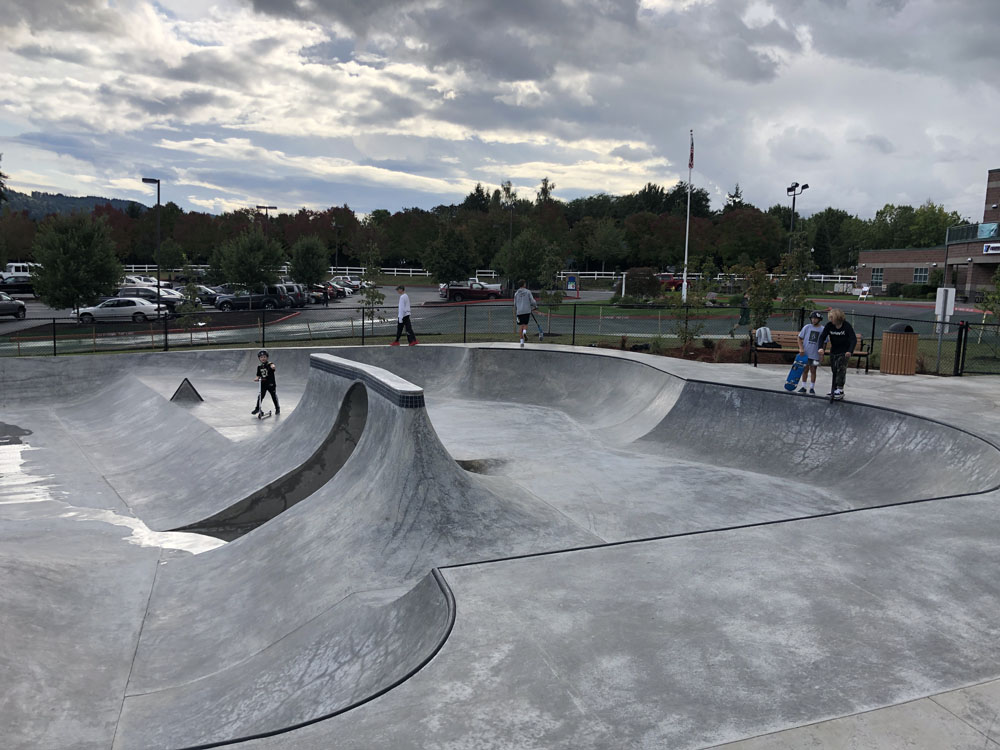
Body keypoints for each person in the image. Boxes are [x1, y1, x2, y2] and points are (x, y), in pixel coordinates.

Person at [817, 308, 857, 400]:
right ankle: (834, 389)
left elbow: (853, 339)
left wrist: (850, 351)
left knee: (841, 369)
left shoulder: (846, 326)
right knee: (834, 370)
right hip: (834, 351)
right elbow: (822, 337)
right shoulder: (829, 326)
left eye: (832, 318)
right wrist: (820, 348)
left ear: (837, 318)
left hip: (844, 352)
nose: (830, 320)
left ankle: (840, 390)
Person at [796, 311, 824, 395]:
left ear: (819, 319)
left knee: (813, 370)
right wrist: (801, 348)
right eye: (812, 318)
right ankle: (803, 386)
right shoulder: (807, 327)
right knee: (805, 370)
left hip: (815, 354)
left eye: (815, 318)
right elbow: (799, 338)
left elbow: (824, 343)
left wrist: (821, 354)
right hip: (806, 353)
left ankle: (812, 387)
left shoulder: (822, 329)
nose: (814, 320)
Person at [252, 350, 279, 415]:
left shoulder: (269, 364)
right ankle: (257, 408)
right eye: (261, 357)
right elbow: (258, 375)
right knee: (260, 396)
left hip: (271, 384)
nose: (263, 358)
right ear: (259, 358)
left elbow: (272, 366)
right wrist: (257, 378)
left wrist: (273, 366)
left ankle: (277, 408)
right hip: (263, 384)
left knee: (273, 396)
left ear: (267, 357)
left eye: (264, 357)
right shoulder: (259, 367)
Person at [513, 279, 537, 347]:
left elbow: (515, 303)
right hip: (526, 311)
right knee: (525, 324)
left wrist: (516, 310)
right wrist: (535, 306)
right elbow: (532, 301)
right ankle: (524, 332)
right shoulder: (528, 292)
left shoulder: (516, 293)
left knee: (521, 325)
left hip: (519, 311)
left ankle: (521, 342)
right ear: (524, 284)